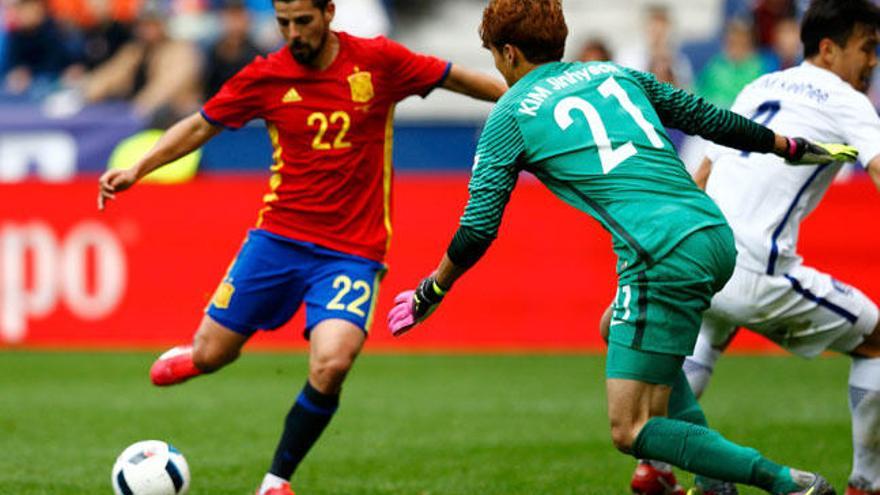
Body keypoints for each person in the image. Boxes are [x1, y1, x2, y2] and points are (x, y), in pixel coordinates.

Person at [387, 1, 857, 494]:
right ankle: (716, 483)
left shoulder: (511, 111)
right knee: (614, 326)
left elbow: (479, 226)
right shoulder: (612, 74)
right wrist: (784, 145)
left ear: (508, 52)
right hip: (712, 232)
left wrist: (432, 289)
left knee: (629, 428)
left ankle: (787, 482)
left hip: (660, 254)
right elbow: (703, 115)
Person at [96, 1, 506, 494]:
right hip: (276, 241)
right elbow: (202, 124)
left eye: (303, 22)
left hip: (351, 252)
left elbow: (454, 78)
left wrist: (528, 102)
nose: (293, 33)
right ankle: (200, 356)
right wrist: (138, 168)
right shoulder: (265, 75)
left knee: (331, 363)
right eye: (283, 23)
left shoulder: (378, 61)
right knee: (213, 355)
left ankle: (275, 481)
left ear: (328, 12)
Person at [632, 1, 880, 494]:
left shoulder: (758, 85)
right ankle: (866, 484)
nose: (873, 62)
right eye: (867, 48)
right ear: (828, 50)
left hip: (706, 253)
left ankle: (654, 468)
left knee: (704, 338)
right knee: (876, 342)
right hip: (759, 270)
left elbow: (704, 169)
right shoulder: (847, 99)